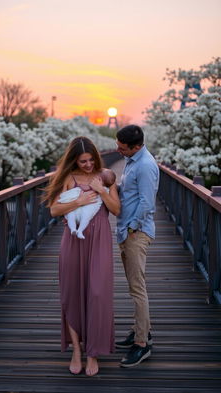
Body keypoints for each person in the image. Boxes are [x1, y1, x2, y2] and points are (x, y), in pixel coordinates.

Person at [44, 136, 120, 376]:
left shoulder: (106, 176)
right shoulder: (68, 178)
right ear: (74, 160)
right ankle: (77, 350)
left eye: (91, 160)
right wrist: (78, 201)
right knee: (72, 292)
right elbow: (55, 209)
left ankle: (93, 353)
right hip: (73, 241)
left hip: (99, 240)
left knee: (98, 293)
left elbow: (116, 209)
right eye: (83, 161)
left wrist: (100, 191)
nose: (88, 165)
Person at [115, 125, 159, 368]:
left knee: (137, 288)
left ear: (136, 146)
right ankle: (141, 330)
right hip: (127, 231)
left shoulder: (145, 166)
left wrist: (131, 228)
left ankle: (142, 345)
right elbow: (129, 193)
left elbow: (146, 202)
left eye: (121, 148)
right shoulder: (132, 160)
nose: (117, 150)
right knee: (135, 285)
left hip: (136, 233)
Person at [58, 170, 116, 239]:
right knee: (71, 215)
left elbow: (116, 210)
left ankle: (80, 230)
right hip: (77, 210)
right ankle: (73, 229)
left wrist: (101, 190)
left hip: (95, 222)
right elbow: (55, 210)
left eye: (97, 176)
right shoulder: (69, 177)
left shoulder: (104, 189)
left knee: (85, 218)